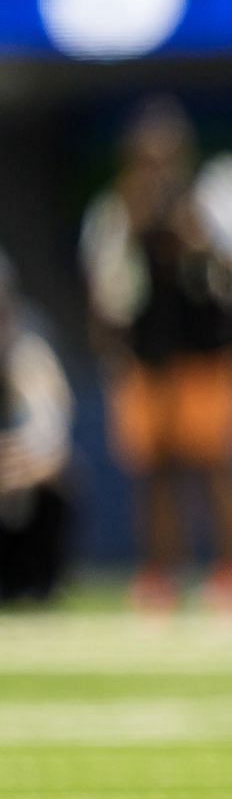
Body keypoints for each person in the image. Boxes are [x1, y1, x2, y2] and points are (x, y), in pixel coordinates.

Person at [80, 99, 232, 610]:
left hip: (208, 352)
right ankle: (160, 577)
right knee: (155, 471)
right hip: (148, 356)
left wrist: (195, 234)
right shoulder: (116, 210)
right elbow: (105, 294)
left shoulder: (217, 194)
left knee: (219, 464)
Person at [0, 253, 74, 603]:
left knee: (60, 479)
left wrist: (19, 465)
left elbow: (49, 438)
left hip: (19, 485)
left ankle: (36, 579)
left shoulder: (27, 354)